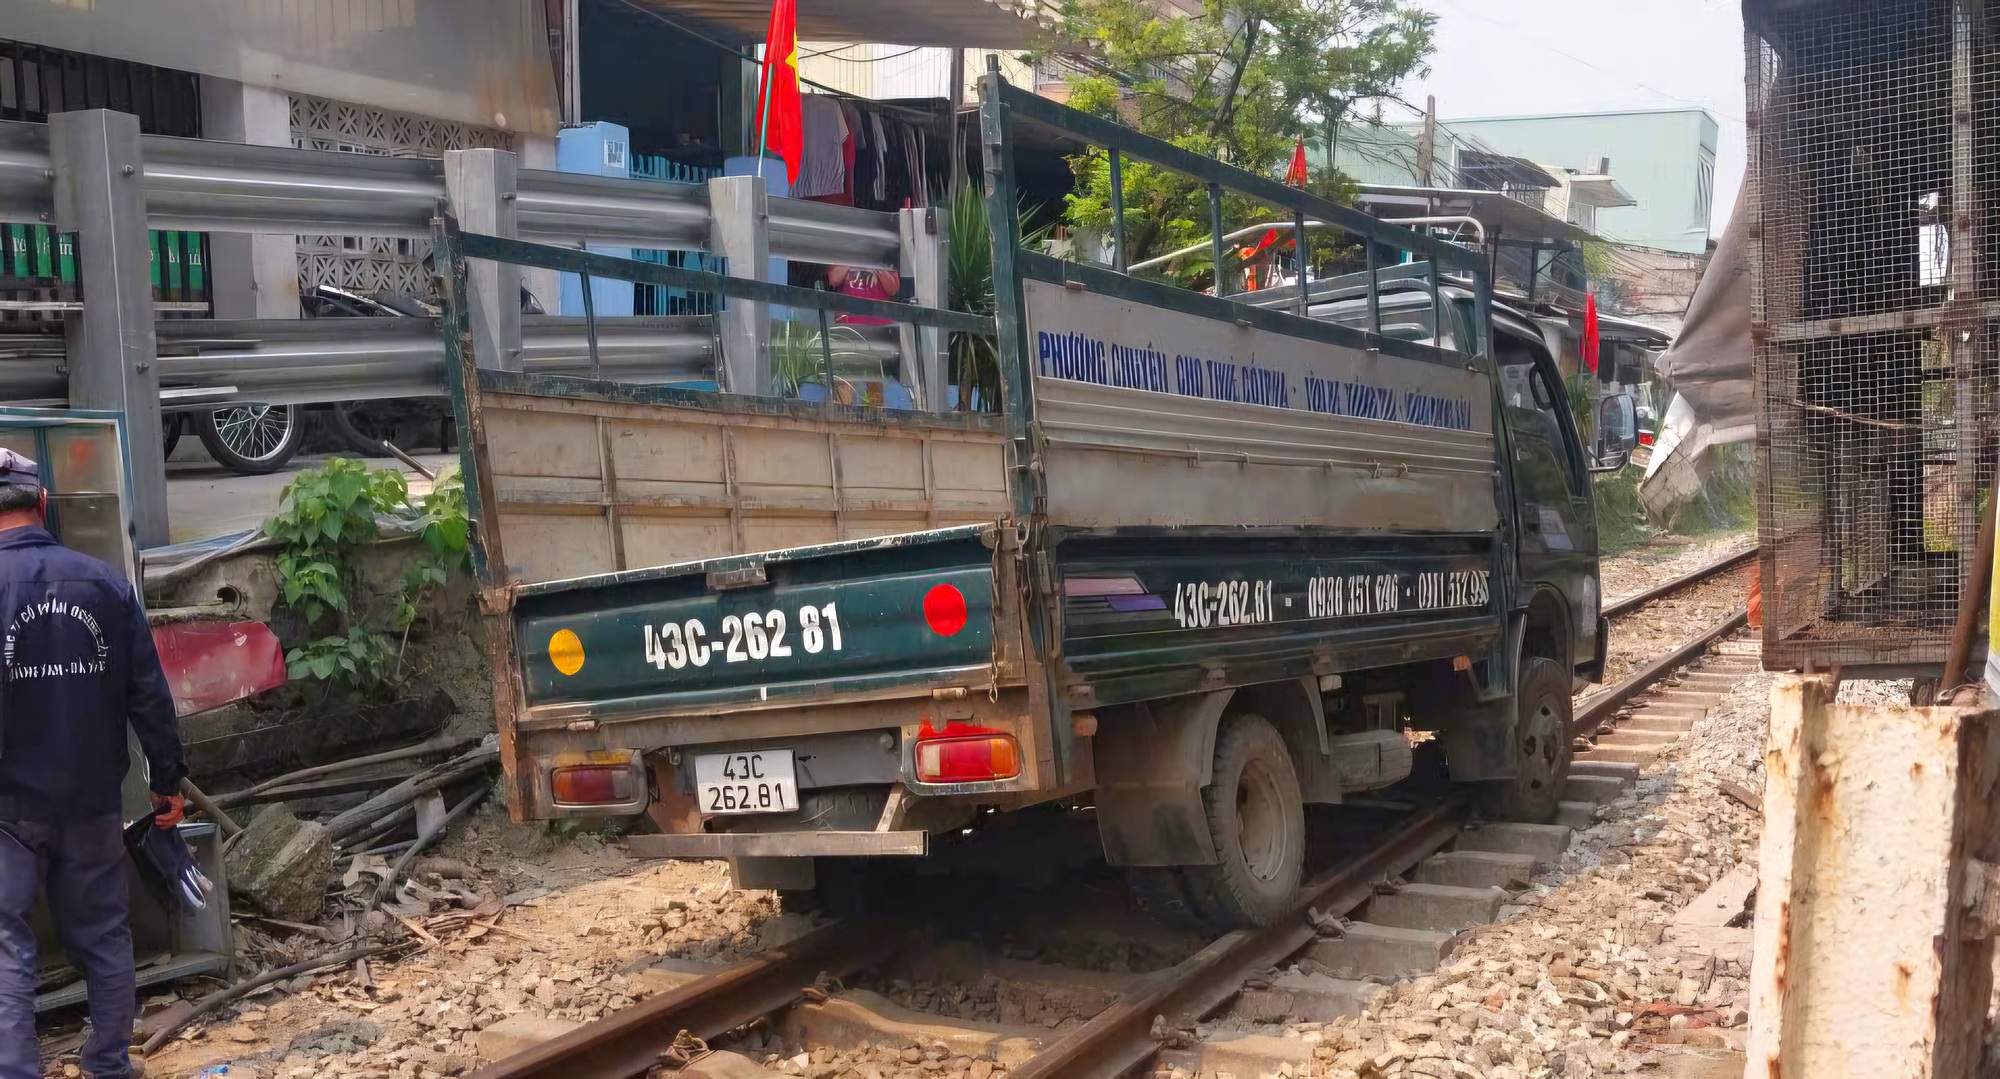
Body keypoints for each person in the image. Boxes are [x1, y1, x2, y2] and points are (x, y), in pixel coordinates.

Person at [0, 449, 185, 1079]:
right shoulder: (105, 583)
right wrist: (166, 782)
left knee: (6, 945)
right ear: (44, 504)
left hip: (8, 808)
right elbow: (150, 696)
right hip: (91, 799)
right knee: (105, 935)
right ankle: (108, 1065)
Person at [825, 263, 901, 325]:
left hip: (879, 323)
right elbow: (833, 279)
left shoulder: (883, 255)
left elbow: (892, 289)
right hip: (848, 323)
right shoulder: (843, 253)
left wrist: (877, 264)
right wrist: (853, 259)